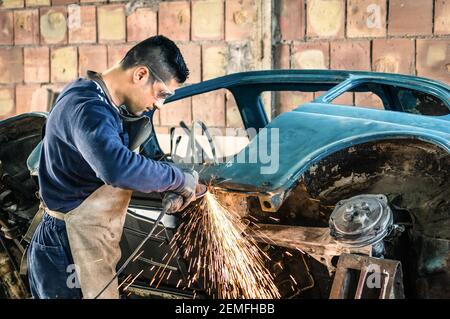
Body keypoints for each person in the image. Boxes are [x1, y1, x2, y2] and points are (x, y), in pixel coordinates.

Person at [27, 35, 198, 299]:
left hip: (84, 240)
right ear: (141, 74)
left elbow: (136, 159)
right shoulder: (86, 107)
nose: (160, 104)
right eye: (161, 94)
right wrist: (178, 179)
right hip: (67, 243)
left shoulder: (110, 105)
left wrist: (164, 180)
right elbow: (117, 168)